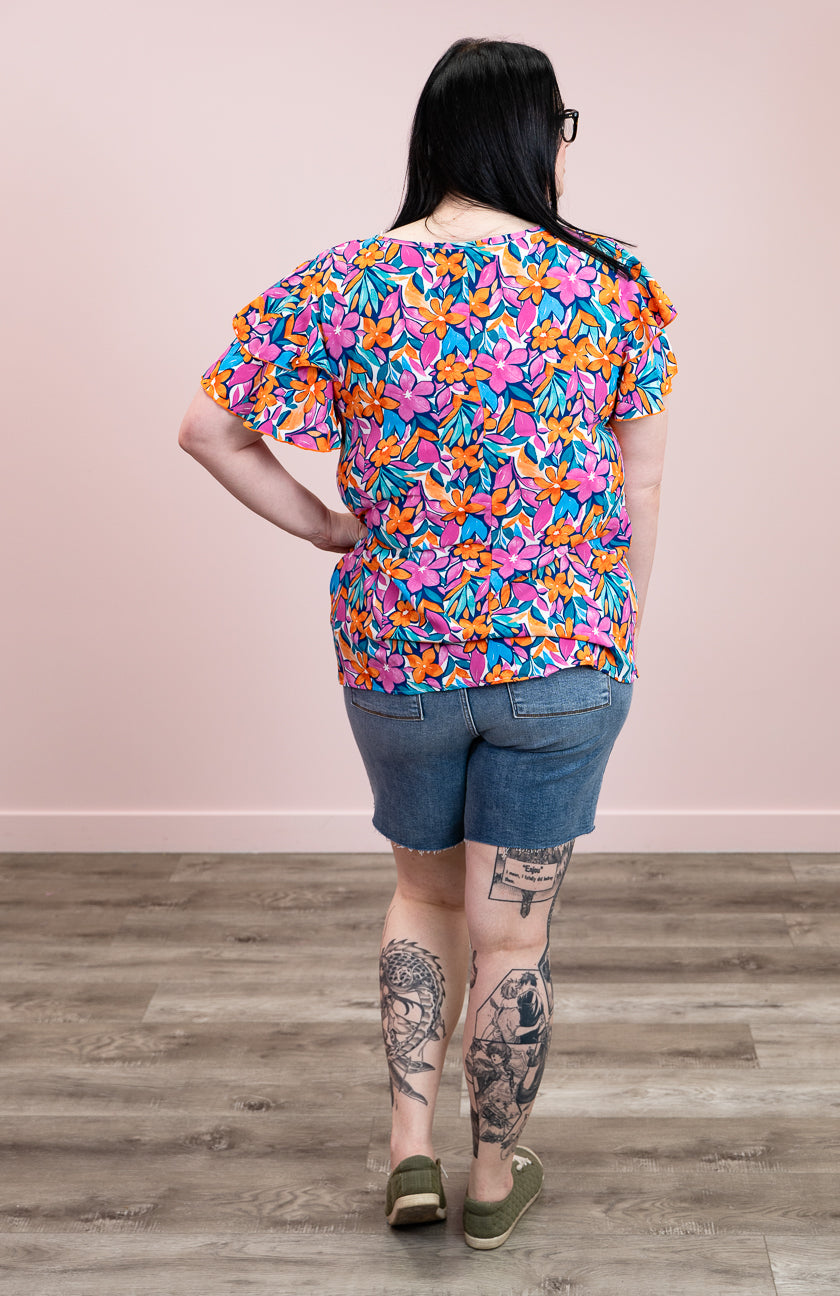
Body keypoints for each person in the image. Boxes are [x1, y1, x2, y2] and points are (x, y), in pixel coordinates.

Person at [178, 36, 678, 1250]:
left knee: (421, 890)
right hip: (560, 657)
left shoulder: (347, 280)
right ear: (538, 134)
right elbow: (640, 487)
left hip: (399, 655)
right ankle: (494, 1179)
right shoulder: (612, 284)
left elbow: (207, 429)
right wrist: (611, 632)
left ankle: (409, 1153)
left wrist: (328, 528)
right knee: (516, 929)